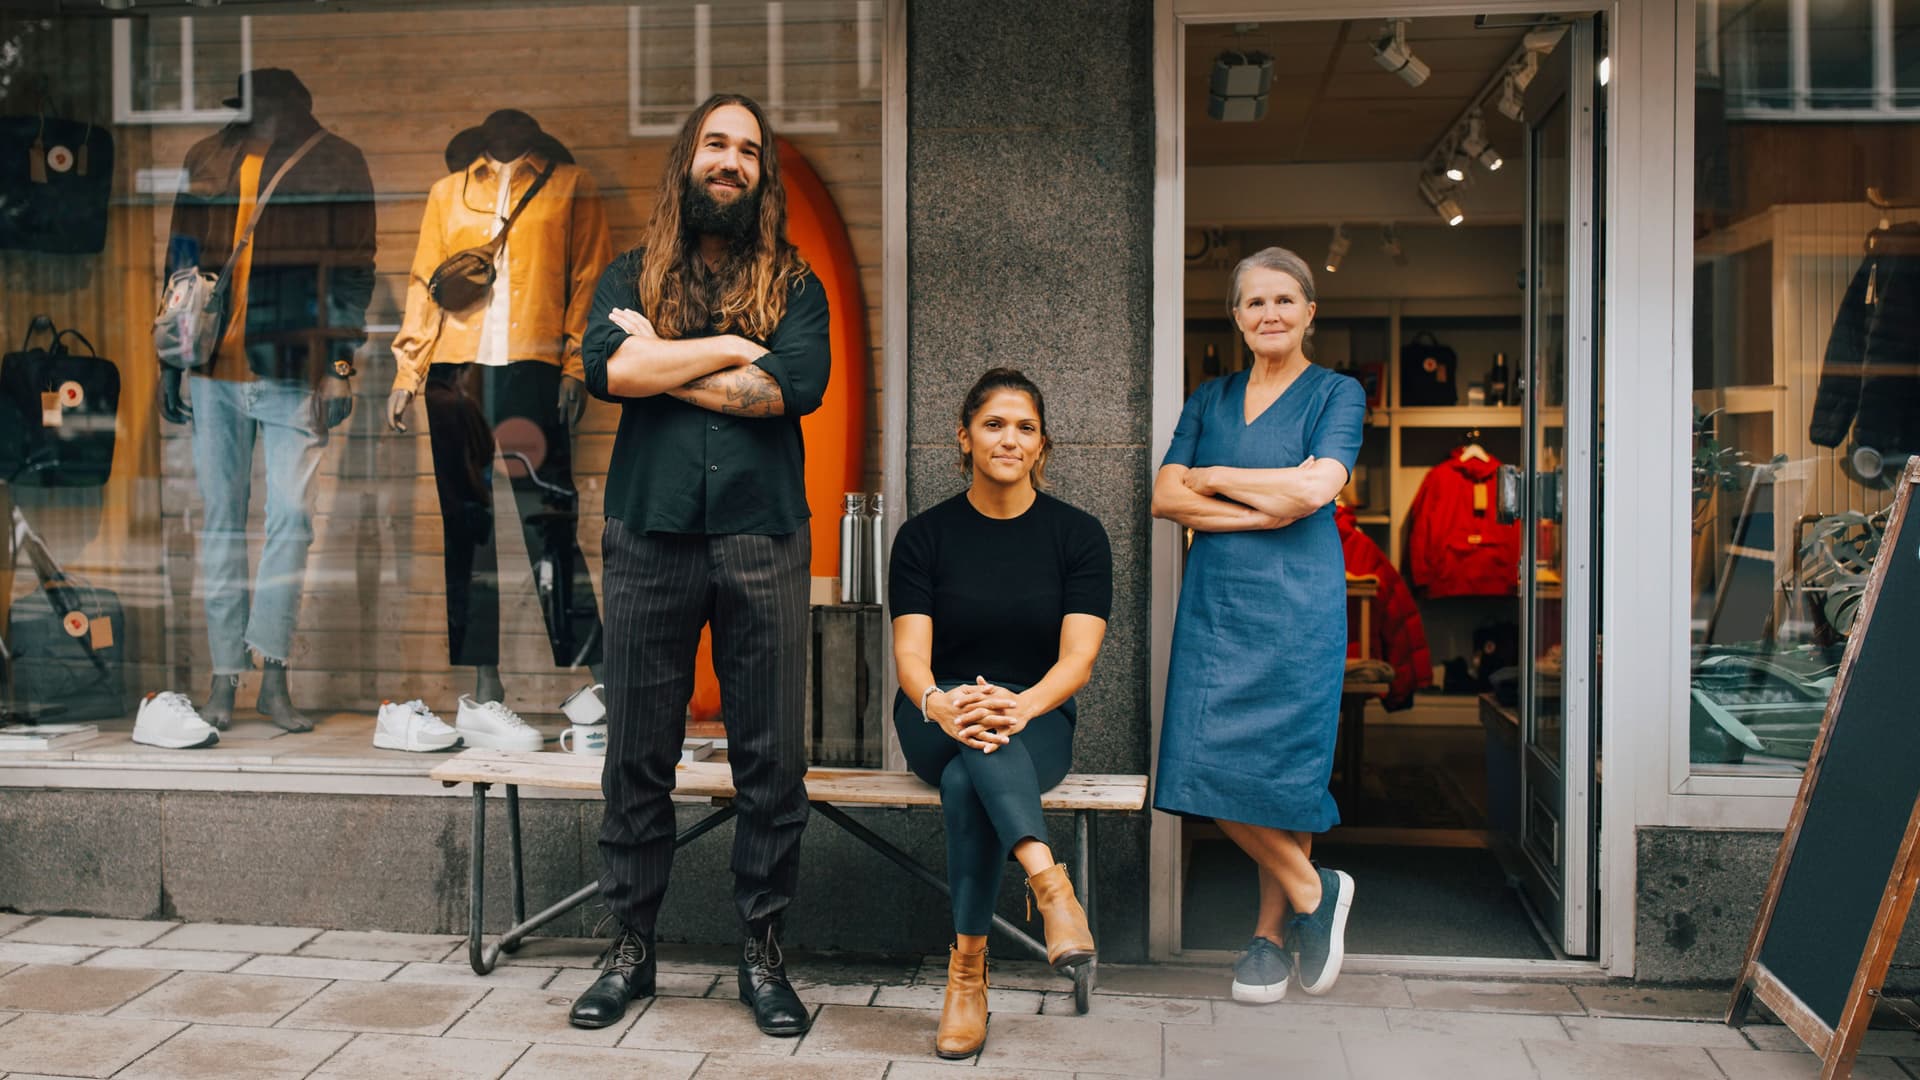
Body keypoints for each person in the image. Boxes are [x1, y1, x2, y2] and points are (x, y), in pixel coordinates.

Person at [569, 93, 828, 1038]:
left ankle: (762, 955)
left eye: (748, 150)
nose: (732, 160)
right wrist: (723, 346)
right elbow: (611, 375)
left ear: (763, 177)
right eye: (716, 144)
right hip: (649, 534)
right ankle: (630, 952)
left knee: (772, 760)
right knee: (637, 754)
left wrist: (662, 356)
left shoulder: (798, 286)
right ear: (688, 160)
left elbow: (786, 392)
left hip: (764, 536)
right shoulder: (627, 274)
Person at [1150, 246, 1366, 1005]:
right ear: (1237, 318)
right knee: (1194, 765)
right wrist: (1263, 500)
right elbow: (1164, 497)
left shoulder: (1337, 394)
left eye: (1284, 300)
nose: (1269, 313)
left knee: (1281, 774)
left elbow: (1316, 489)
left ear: (1310, 311)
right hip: (1217, 609)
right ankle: (1317, 889)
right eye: (1254, 302)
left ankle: (1270, 937)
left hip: (1299, 608)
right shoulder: (1209, 399)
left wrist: (1216, 476)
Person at [889, 367, 1110, 1059]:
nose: (1009, 439)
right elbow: (911, 657)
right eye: (993, 424)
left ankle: (967, 977)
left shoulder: (1078, 536)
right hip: (935, 715)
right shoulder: (924, 537)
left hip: (1038, 714)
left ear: (1042, 445)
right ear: (964, 436)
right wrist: (940, 704)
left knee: (968, 779)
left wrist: (1018, 706)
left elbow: (1076, 662)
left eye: (1025, 427)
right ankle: (1048, 883)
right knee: (968, 754)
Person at [155, 67, 375, 739]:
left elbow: (353, 271)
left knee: (291, 521)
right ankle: (224, 679)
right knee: (220, 523)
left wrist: (340, 367)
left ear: (292, 107)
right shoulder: (209, 156)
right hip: (214, 368)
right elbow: (181, 262)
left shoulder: (336, 161)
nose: (251, 114)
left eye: (263, 105)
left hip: (293, 367)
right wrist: (170, 360)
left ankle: (272, 676)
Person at [387, 108, 612, 747]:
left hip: (532, 370)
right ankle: (485, 687)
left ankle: (604, 675)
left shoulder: (571, 186)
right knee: (468, 526)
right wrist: (409, 371)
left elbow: (588, 280)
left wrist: (575, 365)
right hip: (454, 375)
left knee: (549, 523)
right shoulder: (448, 192)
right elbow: (425, 284)